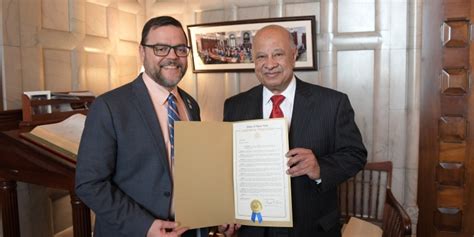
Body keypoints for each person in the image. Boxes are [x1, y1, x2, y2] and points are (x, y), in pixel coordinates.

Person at [221, 25, 367, 237]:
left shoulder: (332, 103)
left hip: (311, 228)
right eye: (261, 56)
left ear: (293, 55)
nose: (269, 64)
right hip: (253, 228)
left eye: (278, 54)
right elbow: (227, 167)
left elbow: (355, 155)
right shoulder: (234, 106)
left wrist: (320, 168)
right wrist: (224, 212)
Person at [75, 16, 205, 237]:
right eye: (161, 48)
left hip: (186, 229)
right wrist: (145, 226)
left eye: (180, 49)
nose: (172, 56)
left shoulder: (191, 104)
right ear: (142, 52)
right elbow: (89, 184)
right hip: (133, 231)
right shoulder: (109, 106)